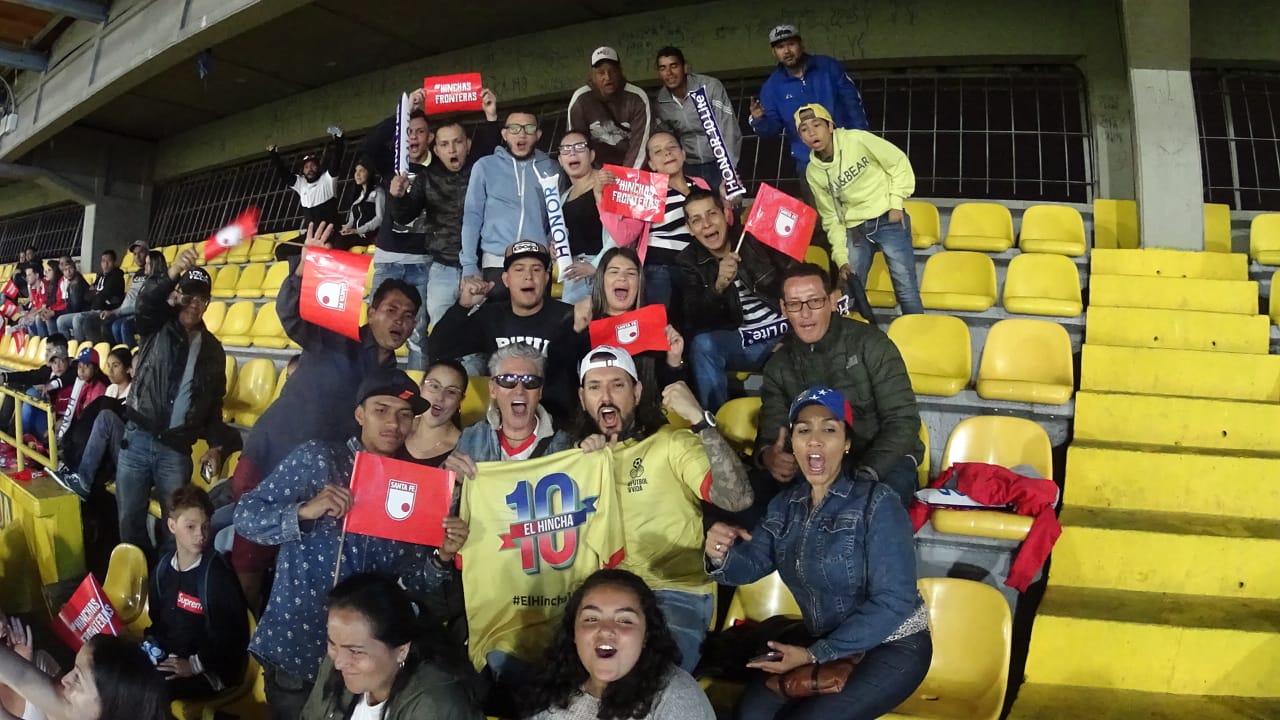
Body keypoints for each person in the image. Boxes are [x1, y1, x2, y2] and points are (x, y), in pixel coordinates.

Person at [234, 368, 468, 720]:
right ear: (360, 414)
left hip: (364, 667)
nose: (394, 422)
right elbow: (246, 516)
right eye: (381, 410)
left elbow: (416, 584)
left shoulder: (413, 486)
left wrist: (443, 556)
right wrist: (303, 511)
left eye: (405, 415)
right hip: (298, 650)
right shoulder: (318, 460)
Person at [706, 387, 932, 720]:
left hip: (891, 645)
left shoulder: (877, 503)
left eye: (829, 429)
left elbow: (894, 602)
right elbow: (752, 564)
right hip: (820, 642)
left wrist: (815, 655)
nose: (814, 440)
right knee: (751, 712)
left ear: (847, 443)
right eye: (803, 430)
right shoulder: (785, 505)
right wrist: (719, 555)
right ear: (792, 441)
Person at [232, 222, 419, 609]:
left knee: (295, 570)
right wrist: (303, 271)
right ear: (372, 311)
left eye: (409, 315)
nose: (399, 321)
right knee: (248, 564)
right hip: (270, 456)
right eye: (391, 310)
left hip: (322, 481)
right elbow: (292, 317)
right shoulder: (337, 332)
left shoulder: (395, 382)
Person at [575, 347, 752, 671]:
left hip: (673, 593)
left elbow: (737, 498)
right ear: (582, 397)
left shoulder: (672, 443)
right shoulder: (574, 461)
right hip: (602, 599)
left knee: (648, 677)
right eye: (594, 386)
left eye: (617, 384)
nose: (606, 396)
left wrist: (701, 420)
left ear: (637, 391)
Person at [756, 265, 922, 507]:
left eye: (814, 302)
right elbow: (774, 428)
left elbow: (903, 421)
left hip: (883, 460)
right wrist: (769, 455)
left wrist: (866, 472)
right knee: (757, 503)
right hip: (817, 463)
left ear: (832, 301)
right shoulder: (779, 365)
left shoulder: (871, 344)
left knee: (870, 512)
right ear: (783, 308)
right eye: (794, 304)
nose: (805, 313)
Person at [117, 248, 233, 557]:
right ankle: (136, 579)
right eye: (188, 296)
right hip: (138, 438)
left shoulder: (213, 350)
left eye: (201, 299)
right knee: (129, 519)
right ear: (177, 294)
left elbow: (213, 405)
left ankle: (166, 582)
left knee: (178, 526)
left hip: (176, 450)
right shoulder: (156, 325)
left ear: (207, 303)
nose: (194, 305)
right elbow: (144, 303)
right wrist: (170, 275)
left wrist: (216, 445)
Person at [526, 569, 715, 720]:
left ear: (646, 634)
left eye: (624, 620)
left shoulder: (676, 697)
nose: (606, 630)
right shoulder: (550, 692)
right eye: (591, 618)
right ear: (573, 632)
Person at [430, 240, 584, 424]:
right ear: (506, 279)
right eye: (519, 269)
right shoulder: (490, 316)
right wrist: (462, 307)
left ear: (546, 278)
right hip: (506, 424)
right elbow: (438, 348)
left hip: (561, 423)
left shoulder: (570, 316)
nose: (528, 276)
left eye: (536, 269)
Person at [678, 189, 799, 413]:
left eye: (711, 214)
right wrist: (718, 287)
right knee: (702, 345)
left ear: (725, 214)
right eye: (696, 220)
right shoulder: (687, 261)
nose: (706, 224)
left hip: (783, 331)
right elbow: (694, 317)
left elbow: (796, 279)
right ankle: (717, 427)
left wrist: (792, 339)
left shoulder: (754, 237)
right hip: (742, 342)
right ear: (690, 229)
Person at [301, 573, 481, 720]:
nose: (339, 662)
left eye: (355, 651)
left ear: (402, 651)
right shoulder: (337, 665)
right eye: (332, 644)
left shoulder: (434, 705)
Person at [798, 103, 921, 314]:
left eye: (817, 125)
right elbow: (831, 217)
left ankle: (918, 340)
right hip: (855, 229)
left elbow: (898, 162)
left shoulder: (857, 139)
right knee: (849, 289)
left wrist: (895, 203)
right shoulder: (813, 172)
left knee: (906, 290)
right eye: (804, 129)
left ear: (830, 126)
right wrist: (841, 258)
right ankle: (853, 340)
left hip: (886, 218)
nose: (811, 132)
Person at [387, 110, 502, 333]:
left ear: (468, 145)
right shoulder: (426, 177)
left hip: (480, 267)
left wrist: (491, 116)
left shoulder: (482, 172)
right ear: (436, 149)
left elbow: (491, 144)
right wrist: (397, 197)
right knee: (442, 331)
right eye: (445, 144)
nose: (452, 149)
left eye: (458, 142)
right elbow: (404, 216)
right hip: (442, 268)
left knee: (477, 334)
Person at [145, 485, 249, 700]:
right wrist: (151, 646)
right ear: (172, 525)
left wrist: (194, 664)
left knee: (149, 692)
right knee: (122, 673)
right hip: (173, 659)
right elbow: (158, 621)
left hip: (208, 670)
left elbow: (231, 637)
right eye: (190, 526)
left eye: (205, 526)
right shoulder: (162, 570)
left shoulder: (216, 576)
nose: (200, 535)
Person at [600, 130, 715, 316]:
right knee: (661, 324)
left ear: (683, 153)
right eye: (658, 151)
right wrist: (600, 197)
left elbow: (719, 224)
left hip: (698, 267)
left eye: (672, 147)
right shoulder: (647, 191)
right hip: (661, 268)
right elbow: (624, 237)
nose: (667, 153)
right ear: (652, 164)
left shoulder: (700, 184)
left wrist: (726, 201)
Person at [572, 247, 686, 418]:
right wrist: (574, 330)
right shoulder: (580, 323)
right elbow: (560, 375)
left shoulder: (656, 325)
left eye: (631, 273)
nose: (622, 277)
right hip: (594, 423)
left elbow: (668, 395)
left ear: (639, 284)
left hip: (647, 421)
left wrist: (674, 361)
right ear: (601, 280)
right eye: (614, 272)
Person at [459, 111, 559, 295]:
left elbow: (558, 215)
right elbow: (472, 217)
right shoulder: (485, 166)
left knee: (536, 321)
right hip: (496, 263)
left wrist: (553, 241)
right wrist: (469, 264)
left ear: (538, 135)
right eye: (514, 129)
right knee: (497, 321)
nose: (522, 134)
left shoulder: (551, 167)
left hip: (537, 264)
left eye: (529, 129)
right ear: (504, 134)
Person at [748, 24, 869, 174]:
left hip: (848, 151)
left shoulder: (828, 66)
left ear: (802, 44)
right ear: (774, 52)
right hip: (808, 162)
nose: (787, 51)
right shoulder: (771, 87)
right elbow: (771, 130)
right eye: (780, 47)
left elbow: (853, 104)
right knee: (815, 198)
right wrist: (759, 120)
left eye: (791, 44)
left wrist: (862, 140)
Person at [443, 343, 571, 480]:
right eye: (508, 380)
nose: (519, 390)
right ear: (493, 390)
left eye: (530, 381)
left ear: (540, 391)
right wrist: (451, 480)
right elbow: (450, 499)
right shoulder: (473, 437)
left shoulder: (565, 444)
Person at [0, 634, 169, 720]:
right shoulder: (75, 709)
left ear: (110, 705)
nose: (65, 679)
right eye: (74, 669)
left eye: (78, 679)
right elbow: (23, 677)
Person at [654, 46, 742, 192]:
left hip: (720, 163)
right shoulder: (661, 101)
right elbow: (667, 140)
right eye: (663, 68)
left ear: (685, 68)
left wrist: (729, 172)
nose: (669, 73)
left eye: (674, 66)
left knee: (728, 208)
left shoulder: (710, 87)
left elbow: (729, 129)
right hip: (688, 167)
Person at [49, 347, 133, 499]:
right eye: (108, 366)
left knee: (104, 413)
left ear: (128, 369)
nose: (111, 371)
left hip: (125, 450)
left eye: (116, 365)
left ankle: (83, 479)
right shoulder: (111, 389)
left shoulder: (134, 392)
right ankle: (72, 466)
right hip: (105, 450)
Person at [568, 47, 652, 169]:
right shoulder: (581, 99)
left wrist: (626, 179)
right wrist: (592, 178)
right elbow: (575, 145)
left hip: (633, 170)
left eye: (612, 71)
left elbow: (640, 146)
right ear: (593, 76)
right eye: (601, 72)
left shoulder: (637, 97)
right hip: (597, 171)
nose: (607, 77)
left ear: (620, 71)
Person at [554, 131, 612, 305]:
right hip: (573, 273)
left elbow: (621, 234)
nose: (572, 153)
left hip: (601, 272)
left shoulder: (607, 184)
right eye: (565, 149)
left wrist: (596, 266)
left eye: (579, 147)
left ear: (592, 154)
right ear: (560, 160)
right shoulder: (564, 197)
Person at [268, 127, 345, 231]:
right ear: (303, 171)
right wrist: (274, 156)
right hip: (311, 236)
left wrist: (339, 139)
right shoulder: (301, 183)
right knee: (281, 248)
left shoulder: (328, 179)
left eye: (313, 166)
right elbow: (284, 174)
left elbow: (336, 160)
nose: (310, 169)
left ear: (319, 167)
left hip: (332, 233)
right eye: (306, 167)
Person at [0, 336, 74, 444]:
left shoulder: (75, 369)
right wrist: (5, 376)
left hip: (54, 425)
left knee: (31, 393)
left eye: (49, 350)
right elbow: (29, 375)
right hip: (42, 418)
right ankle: (6, 433)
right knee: (17, 386)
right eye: (46, 351)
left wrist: (51, 385)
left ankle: (16, 439)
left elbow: (72, 374)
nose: (46, 354)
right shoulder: (48, 369)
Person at [405, 359, 468, 465]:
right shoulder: (398, 429)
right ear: (421, 387)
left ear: (460, 401)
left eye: (451, 392)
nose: (440, 397)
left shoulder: (463, 453)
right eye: (434, 386)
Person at [60, 250, 125, 342]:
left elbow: (103, 296)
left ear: (114, 262)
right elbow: (88, 295)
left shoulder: (116, 277)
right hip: (93, 309)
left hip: (105, 310)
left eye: (108, 261)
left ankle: (82, 347)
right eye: (103, 261)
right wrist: (96, 294)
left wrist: (95, 293)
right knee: (61, 321)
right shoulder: (100, 276)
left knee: (78, 319)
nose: (105, 264)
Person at [101, 244, 153, 348]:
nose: (137, 256)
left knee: (123, 326)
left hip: (140, 312)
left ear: (148, 255)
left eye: (141, 252)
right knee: (109, 325)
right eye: (134, 254)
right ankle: (120, 353)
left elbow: (142, 302)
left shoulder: (153, 273)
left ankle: (132, 355)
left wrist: (115, 311)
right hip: (126, 310)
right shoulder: (138, 273)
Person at [337, 158, 384, 251]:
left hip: (368, 235)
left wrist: (358, 230)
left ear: (369, 173)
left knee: (341, 241)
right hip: (356, 234)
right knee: (334, 237)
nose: (357, 174)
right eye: (356, 171)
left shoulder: (378, 192)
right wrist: (343, 229)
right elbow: (351, 222)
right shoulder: (359, 196)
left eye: (361, 171)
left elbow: (380, 218)